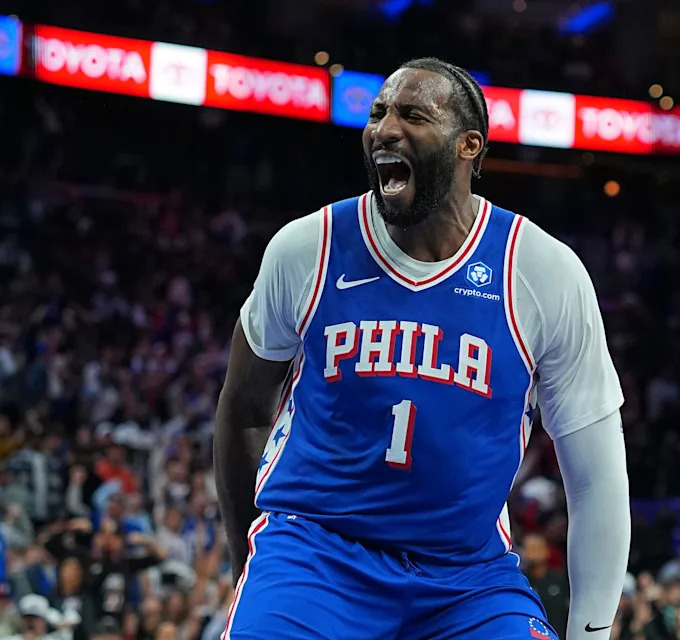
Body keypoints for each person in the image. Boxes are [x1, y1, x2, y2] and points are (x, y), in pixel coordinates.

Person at [214, 57, 630, 640]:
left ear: (468, 146)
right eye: (379, 113)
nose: (385, 129)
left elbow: (596, 479)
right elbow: (243, 409)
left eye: (412, 115)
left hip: (468, 577)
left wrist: (591, 635)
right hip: (315, 556)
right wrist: (249, 567)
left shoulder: (540, 271)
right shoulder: (308, 247)